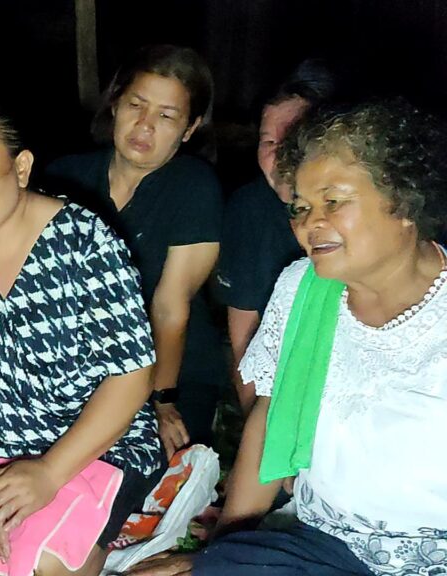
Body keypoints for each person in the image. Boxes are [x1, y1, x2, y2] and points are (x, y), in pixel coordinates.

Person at [128, 98, 447, 576]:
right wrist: (224, 552)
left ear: (403, 200)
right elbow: (271, 416)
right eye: (301, 207)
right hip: (324, 546)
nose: (310, 223)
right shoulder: (303, 289)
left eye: (333, 201)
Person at [0, 104, 163, 576]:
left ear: (20, 168)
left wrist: (49, 473)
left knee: (46, 563)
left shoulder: (85, 245)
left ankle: (116, 538)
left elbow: (131, 377)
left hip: (92, 447)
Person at [44, 45, 225, 458]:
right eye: (136, 105)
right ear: (115, 104)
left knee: (148, 468)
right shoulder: (64, 177)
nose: (145, 125)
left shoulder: (194, 185)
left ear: (190, 128)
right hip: (78, 367)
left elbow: (169, 307)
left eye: (166, 116)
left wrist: (162, 400)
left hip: (171, 369)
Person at [216, 61, 337, 414]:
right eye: (268, 141)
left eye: (293, 141)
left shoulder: (364, 217)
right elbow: (244, 338)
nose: (279, 155)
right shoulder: (249, 209)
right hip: (283, 390)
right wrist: (260, 433)